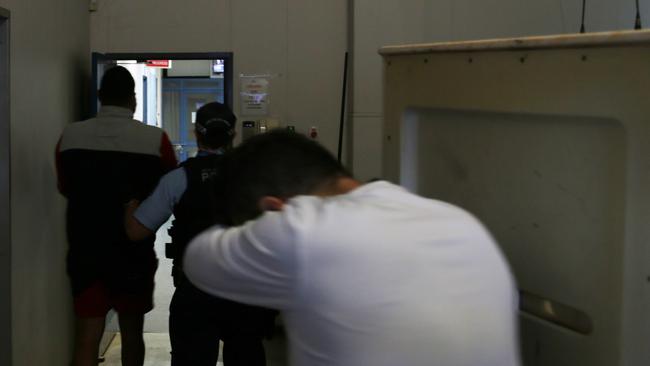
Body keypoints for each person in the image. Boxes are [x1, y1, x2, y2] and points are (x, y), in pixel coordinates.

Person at [183, 130, 521, 366]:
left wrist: (275, 224)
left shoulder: (300, 232)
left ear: (273, 210)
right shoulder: (461, 222)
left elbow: (198, 258)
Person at [124, 102, 273, 366]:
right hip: (245, 291)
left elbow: (136, 232)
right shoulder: (255, 177)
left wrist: (130, 203)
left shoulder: (178, 179)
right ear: (233, 135)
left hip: (195, 292)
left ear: (196, 133)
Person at [56, 66, 177, 366]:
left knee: (87, 337)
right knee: (132, 334)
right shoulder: (154, 140)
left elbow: (64, 186)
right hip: (132, 253)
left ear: (99, 97)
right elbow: (170, 193)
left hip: (86, 251)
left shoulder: (70, 136)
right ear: (133, 100)